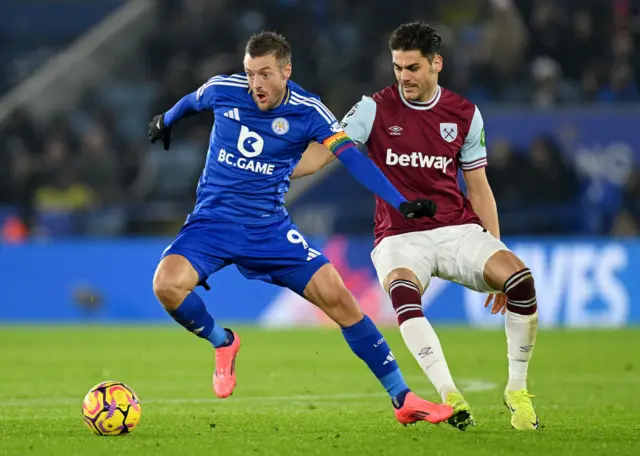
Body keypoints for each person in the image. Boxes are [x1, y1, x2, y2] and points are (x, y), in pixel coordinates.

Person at [148, 30, 453, 426]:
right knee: (165, 285)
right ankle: (223, 342)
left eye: (265, 74)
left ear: (286, 71)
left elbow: (351, 157)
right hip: (213, 223)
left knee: (340, 298)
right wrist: (165, 120)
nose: (256, 84)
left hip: (269, 229)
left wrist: (400, 201)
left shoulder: (309, 112)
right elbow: (193, 100)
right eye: (250, 73)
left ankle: (402, 397)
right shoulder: (225, 89)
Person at [292, 21, 539, 431]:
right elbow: (323, 154)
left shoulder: (464, 114)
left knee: (521, 280)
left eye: (412, 68)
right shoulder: (373, 108)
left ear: (435, 64)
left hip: (457, 230)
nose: (403, 77)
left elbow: (478, 189)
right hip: (399, 236)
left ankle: (517, 390)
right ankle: (450, 395)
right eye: (398, 67)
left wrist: (495, 248)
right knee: (404, 294)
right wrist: (273, 170)